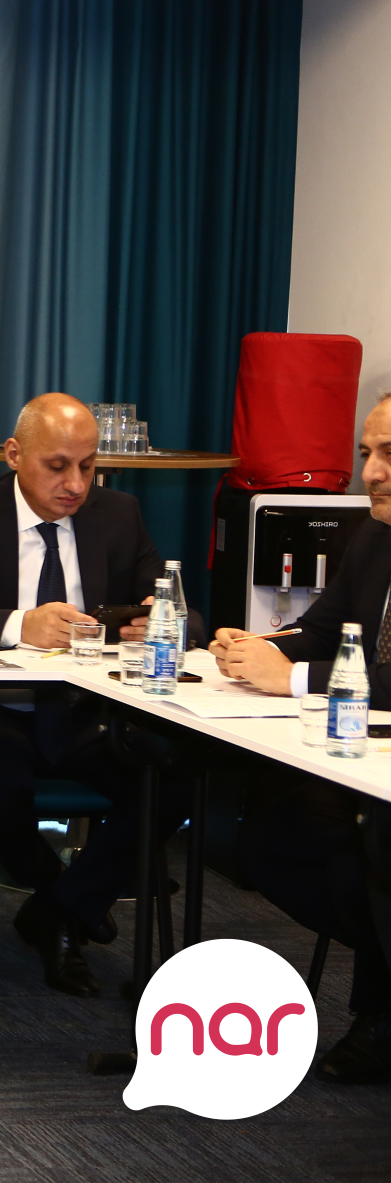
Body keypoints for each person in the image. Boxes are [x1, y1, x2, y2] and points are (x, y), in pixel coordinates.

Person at [0, 393, 196, 996]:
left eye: (88, 466)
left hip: (84, 712)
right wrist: (18, 625)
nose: (76, 484)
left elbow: (184, 613)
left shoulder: (118, 514)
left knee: (170, 782)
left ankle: (57, 912)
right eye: (58, 466)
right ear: (14, 455)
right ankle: (65, 904)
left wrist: (160, 621)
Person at [213, 390, 391, 1082]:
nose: (370, 473)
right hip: (363, 760)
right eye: (365, 453)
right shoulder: (374, 534)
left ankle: (377, 1017)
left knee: (378, 849)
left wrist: (289, 677)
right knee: (271, 841)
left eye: (388, 454)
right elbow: (322, 631)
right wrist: (257, 646)